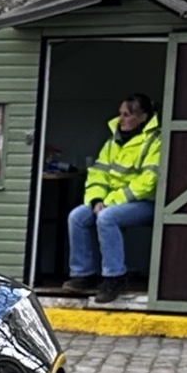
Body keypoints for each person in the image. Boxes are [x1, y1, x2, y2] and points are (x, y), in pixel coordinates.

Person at [64, 93, 160, 301]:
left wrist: (109, 202)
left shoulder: (155, 141)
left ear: (143, 117)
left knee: (107, 217)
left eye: (127, 115)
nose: (121, 119)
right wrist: (96, 200)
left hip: (145, 203)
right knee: (77, 217)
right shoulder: (112, 142)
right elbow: (97, 174)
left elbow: (148, 182)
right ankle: (83, 275)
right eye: (120, 114)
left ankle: (115, 277)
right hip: (110, 201)